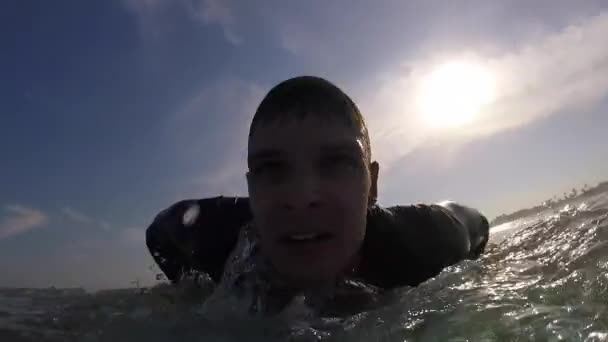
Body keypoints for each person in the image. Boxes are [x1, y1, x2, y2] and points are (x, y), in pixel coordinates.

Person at [146, 76, 489, 315]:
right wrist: (195, 293)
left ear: (373, 184)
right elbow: (159, 232)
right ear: (251, 189)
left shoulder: (422, 241)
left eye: (336, 163)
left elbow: (477, 224)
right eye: (272, 169)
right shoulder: (220, 239)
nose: (301, 197)